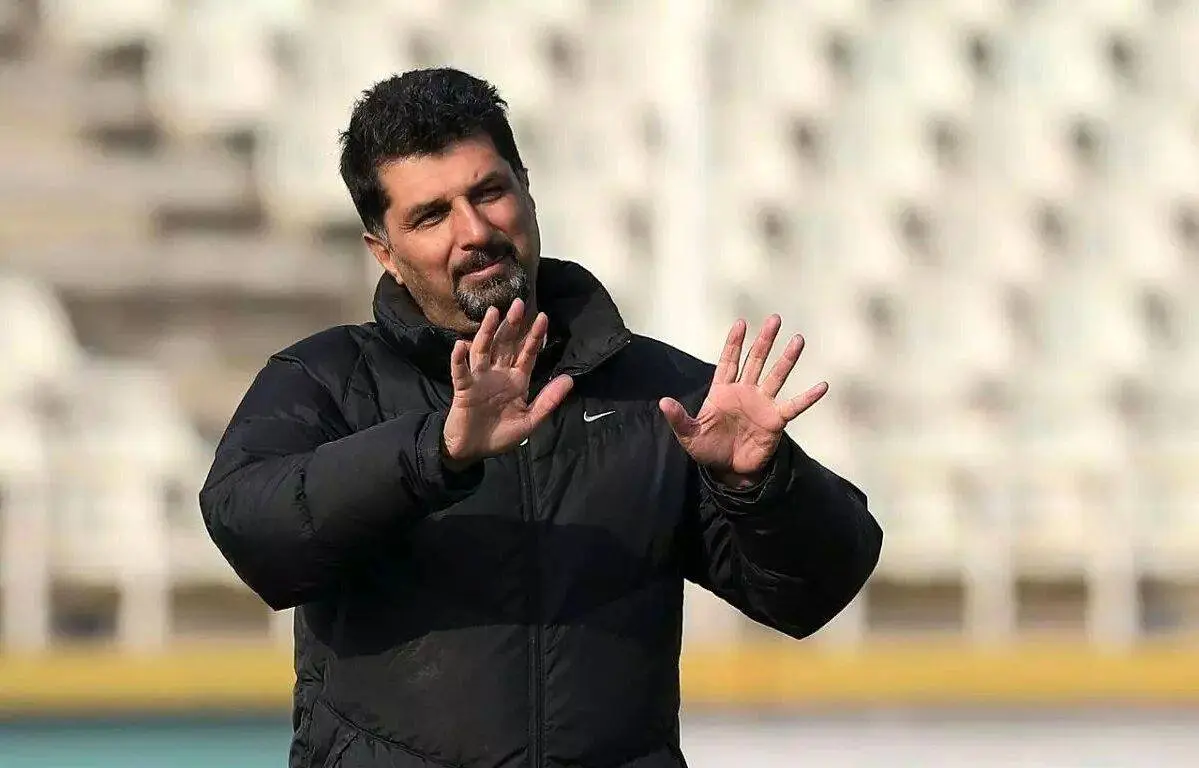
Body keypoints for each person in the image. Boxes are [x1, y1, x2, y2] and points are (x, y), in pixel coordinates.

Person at [200, 67, 882, 768]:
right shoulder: (324, 381)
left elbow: (813, 595)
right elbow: (253, 532)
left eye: (488, 192)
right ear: (385, 253)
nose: (474, 231)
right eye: (431, 216)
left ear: (526, 189)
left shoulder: (660, 397)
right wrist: (436, 453)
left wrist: (760, 485)